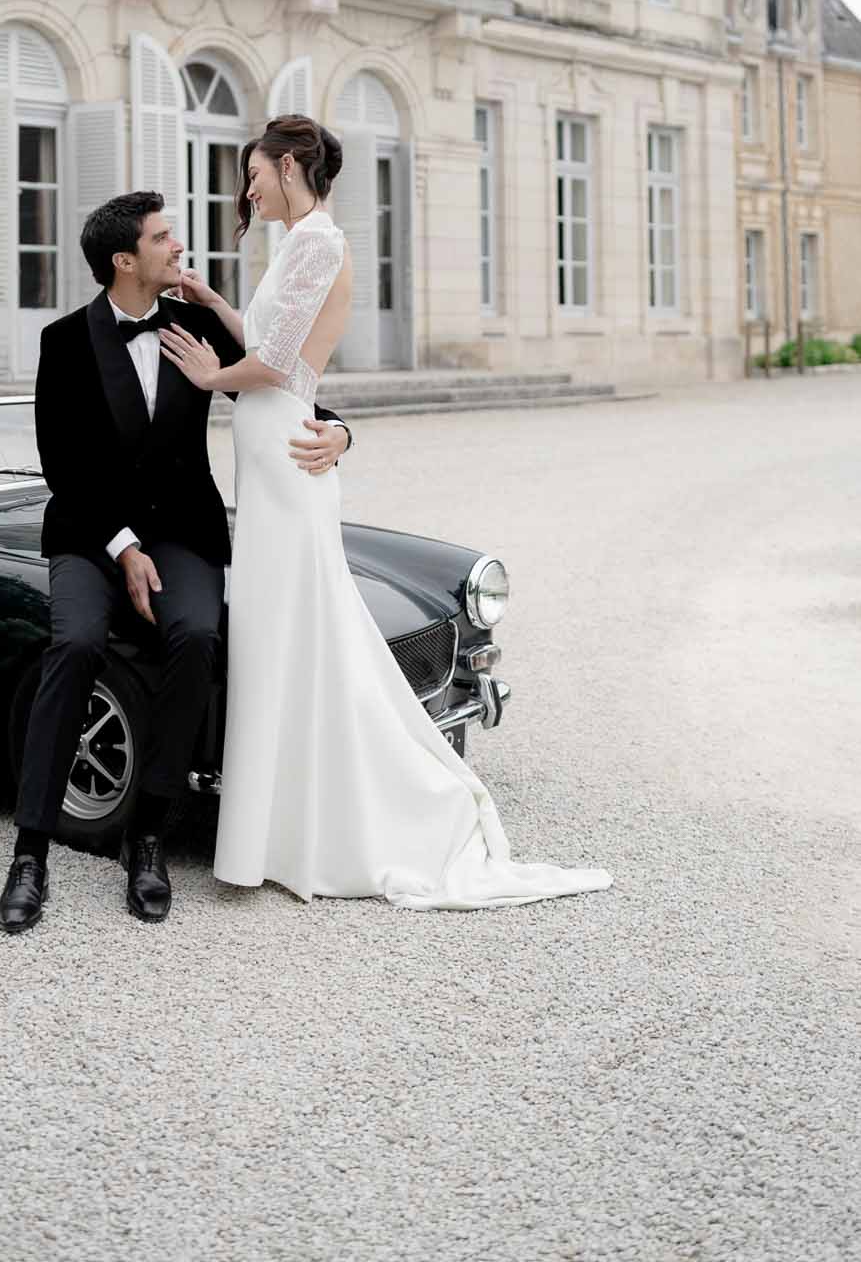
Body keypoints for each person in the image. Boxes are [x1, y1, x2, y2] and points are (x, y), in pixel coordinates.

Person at [160, 116, 612, 910]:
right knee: (281, 637)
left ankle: (323, 823)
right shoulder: (300, 242)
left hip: (283, 454)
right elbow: (275, 345)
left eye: (255, 172)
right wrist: (212, 303)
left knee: (294, 636)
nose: (248, 188)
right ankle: (276, 825)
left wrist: (208, 378)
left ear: (290, 165)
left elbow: (269, 369)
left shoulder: (317, 244)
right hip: (274, 450)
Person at [0, 190, 352, 934]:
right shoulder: (63, 341)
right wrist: (122, 549)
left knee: (195, 636)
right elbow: (62, 465)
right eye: (163, 238)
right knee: (76, 643)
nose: (177, 247)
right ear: (124, 260)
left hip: (185, 533)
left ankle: (148, 835)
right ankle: (30, 850)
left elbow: (288, 383)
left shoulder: (192, 325)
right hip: (93, 533)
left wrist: (341, 435)